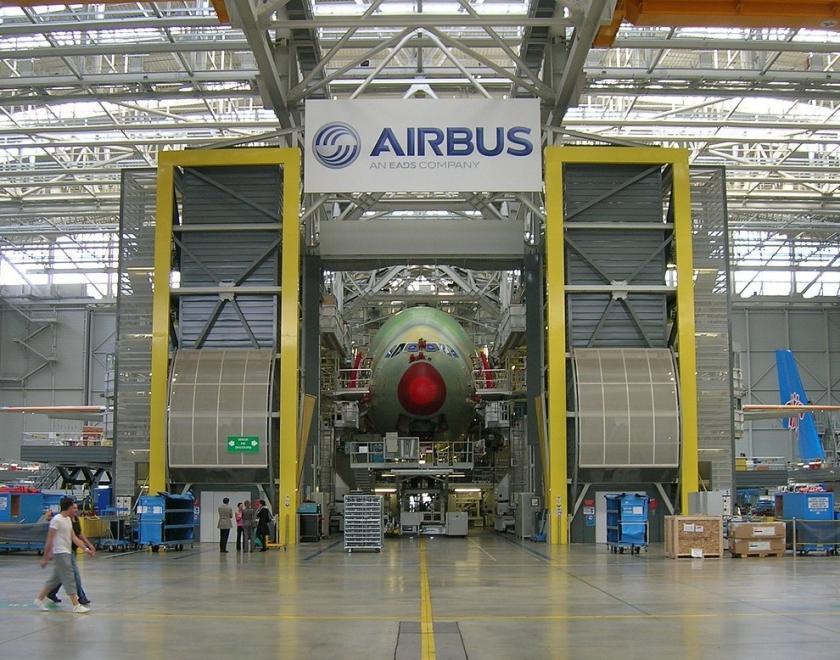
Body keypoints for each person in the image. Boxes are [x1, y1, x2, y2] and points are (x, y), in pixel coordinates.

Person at [34, 497, 94, 614]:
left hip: (67, 552)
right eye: (74, 507)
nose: (75, 510)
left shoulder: (68, 520)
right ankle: (76, 605)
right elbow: (50, 539)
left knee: (54, 580)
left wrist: (86, 549)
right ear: (69, 507)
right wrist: (46, 557)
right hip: (60, 553)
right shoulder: (57, 520)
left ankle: (39, 599)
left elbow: (74, 538)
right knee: (69, 578)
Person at [47, 509, 94, 606]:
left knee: (61, 575)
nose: (75, 510)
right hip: (64, 551)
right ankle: (81, 597)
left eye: (76, 508)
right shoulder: (62, 519)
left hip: (71, 550)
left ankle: (51, 592)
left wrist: (88, 545)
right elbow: (51, 535)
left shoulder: (75, 520)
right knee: (75, 574)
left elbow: (78, 535)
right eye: (74, 508)